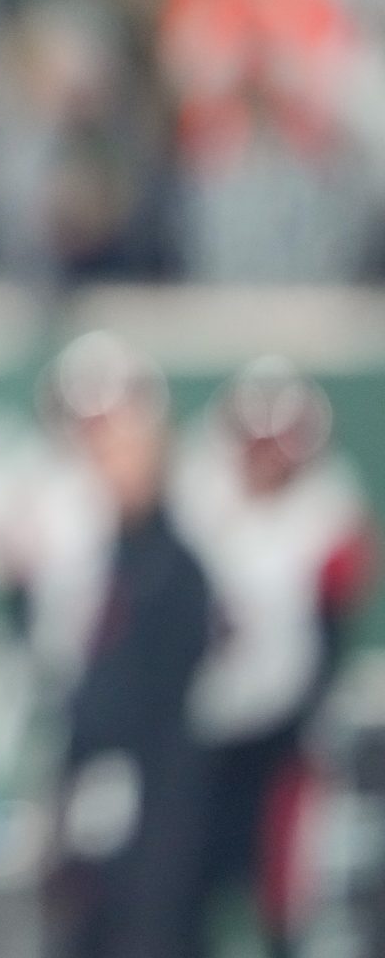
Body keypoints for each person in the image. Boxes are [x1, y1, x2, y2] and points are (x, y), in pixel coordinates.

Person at [171, 358, 374, 956]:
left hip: (280, 723)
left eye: (278, 443)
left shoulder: (327, 508)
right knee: (184, 879)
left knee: (284, 882)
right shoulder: (193, 489)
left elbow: (334, 620)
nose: (265, 457)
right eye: (254, 441)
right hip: (193, 721)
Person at [39, 334, 212, 958]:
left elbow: (159, 686)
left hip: (158, 780)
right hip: (86, 770)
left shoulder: (173, 562)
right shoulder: (80, 545)